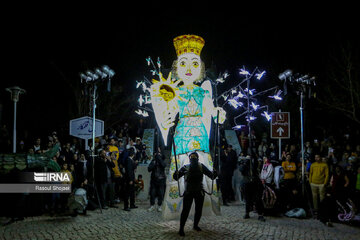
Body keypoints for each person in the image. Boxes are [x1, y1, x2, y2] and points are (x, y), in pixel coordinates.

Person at [150, 34, 226, 219]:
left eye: (194, 63)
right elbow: (170, 111)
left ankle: (204, 207)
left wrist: (219, 114)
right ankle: (178, 207)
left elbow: (211, 111)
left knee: (202, 170)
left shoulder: (203, 91)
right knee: (181, 171)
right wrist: (166, 119)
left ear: (200, 67)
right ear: (177, 67)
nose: (189, 68)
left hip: (200, 135)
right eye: (184, 63)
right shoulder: (175, 92)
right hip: (182, 136)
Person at [173, 152, 217, 237]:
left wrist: (215, 172)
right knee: (185, 210)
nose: (193, 158)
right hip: (188, 191)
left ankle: (195, 225)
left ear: (197, 158)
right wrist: (176, 173)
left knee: (198, 210)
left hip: (199, 191)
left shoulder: (201, 166)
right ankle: (181, 228)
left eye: (195, 157)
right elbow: (176, 177)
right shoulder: (186, 167)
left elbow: (211, 176)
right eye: (192, 157)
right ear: (189, 158)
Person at [238, 155, 265, 221]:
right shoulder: (243, 165)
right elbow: (241, 169)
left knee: (258, 199)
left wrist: (253, 158)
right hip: (247, 184)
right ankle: (247, 213)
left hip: (255, 183)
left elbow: (256, 166)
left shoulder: (254, 165)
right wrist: (246, 161)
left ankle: (260, 214)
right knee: (247, 199)